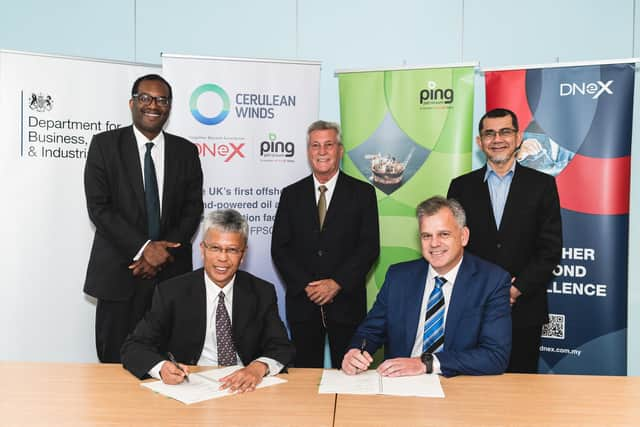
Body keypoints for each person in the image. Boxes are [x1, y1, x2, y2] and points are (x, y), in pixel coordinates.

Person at [84, 74, 204, 363]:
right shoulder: (104, 145)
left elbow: (192, 209)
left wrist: (160, 252)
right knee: (114, 368)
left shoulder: (185, 151)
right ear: (132, 103)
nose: (153, 105)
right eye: (145, 98)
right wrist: (144, 249)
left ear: (169, 107)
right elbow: (100, 208)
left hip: (171, 277)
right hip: (119, 274)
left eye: (162, 100)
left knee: (171, 369)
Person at [121, 209, 294, 392]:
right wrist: (162, 368)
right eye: (215, 248)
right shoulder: (172, 292)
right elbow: (134, 347)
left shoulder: (261, 292)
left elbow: (282, 347)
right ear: (202, 250)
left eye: (232, 250)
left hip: (245, 388)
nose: (223, 258)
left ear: (243, 255)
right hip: (190, 387)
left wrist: (257, 368)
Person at [342, 196, 511, 377]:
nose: (434, 243)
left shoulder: (492, 281)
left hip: (459, 384)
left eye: (444, 234)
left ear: (463, 236)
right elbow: (370, 332)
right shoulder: (399, 277)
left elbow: (495, 356)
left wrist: (426, 363)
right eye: (426, 236)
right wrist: (356, 351)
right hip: (401, 385)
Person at [447, 108, 562, 373]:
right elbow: (452, 245)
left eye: (505, 132)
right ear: (480, 141)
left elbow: (550, 248)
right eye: (490, 133)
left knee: (521, 393)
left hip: (524, 308)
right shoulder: (460, 187)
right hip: (472, 307)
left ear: (518, 137)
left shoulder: (542, 186)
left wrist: (515, 289)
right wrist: (486, 290)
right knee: (471, 388)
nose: (497, 139)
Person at [271, 120, 380, 368]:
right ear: (309, 151)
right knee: (305, 379)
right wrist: (307, 286)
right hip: (303, 304)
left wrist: (336, 283)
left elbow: (369, 246)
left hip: (346, 304)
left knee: (351, 373)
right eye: (315, 145)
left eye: (328, 145)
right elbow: (280, 248)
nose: (322, 152)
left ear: (340, 150)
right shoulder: (291, 195)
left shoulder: (362, 193)